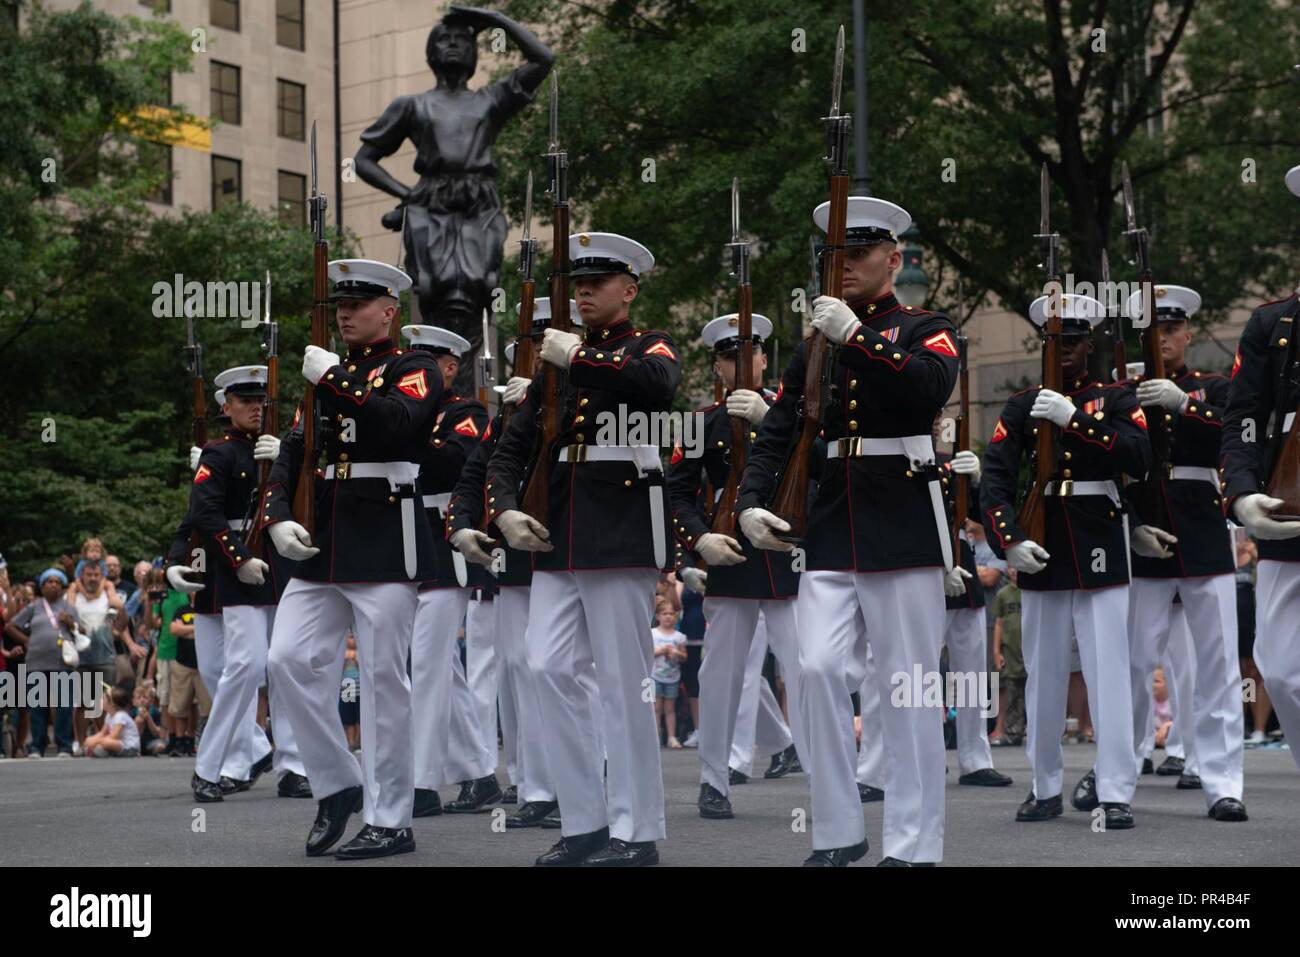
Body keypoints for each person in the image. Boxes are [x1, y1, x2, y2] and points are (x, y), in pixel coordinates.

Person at [484, 231, 678, 866]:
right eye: (578, 283)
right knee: (544, 668)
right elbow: (513, 446)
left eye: (598, 282)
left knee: (625, 684)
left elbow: (656, 389)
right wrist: (504, 507)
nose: (585, 292)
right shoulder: (554, 363)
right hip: (557, 531)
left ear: (629, 289)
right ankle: (585, 820)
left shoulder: (645, 346)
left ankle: (637, 830)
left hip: (619, 530)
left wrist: (579, 361)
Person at [265, 258, 445, 860]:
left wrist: (337, 378)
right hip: (323, 537)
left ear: (390, 310)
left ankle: (391, 819)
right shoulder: (326, 374)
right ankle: (339, 783)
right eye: (340, 304)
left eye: (359, 304)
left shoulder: (413, 367)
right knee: (285, 659)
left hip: (385, 534)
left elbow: (398, 422)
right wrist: (276, 516)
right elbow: (293, 451)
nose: (345, 312)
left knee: (383, 683)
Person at [980, 292, 1151, 829]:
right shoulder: (1020, 404)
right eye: (1057, 340)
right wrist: (1007, 540)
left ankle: (1116, 788)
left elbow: (1139, 456)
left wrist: (1076, 418)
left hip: (1099, 530)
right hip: (1044, 538)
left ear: (1090, 342)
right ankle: (1045, 783)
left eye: (1074, 340)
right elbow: (997, 480)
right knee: (1044, 672)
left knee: (1108, 671)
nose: (1066, 350)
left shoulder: (1115, 398)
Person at [447, 312, 604, 831]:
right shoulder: (518, 408)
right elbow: (481, 469)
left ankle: (576, 780)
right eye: (527, 340)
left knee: (573, 673)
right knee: (520, 670)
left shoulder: (589, 393)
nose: (534, 348)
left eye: (542, 339)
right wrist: (463, 524)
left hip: (576, 545)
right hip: (518, 559)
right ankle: (533, 783)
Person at [1112, 285, 1247, 821]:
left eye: (1171, 330)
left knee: (1215, 665)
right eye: (1152, 331)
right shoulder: (1124, 391)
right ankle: (1119, 771)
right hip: (1145, 530)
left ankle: (1223, 782)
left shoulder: (1213, 387)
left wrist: (1185, 404)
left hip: (1202, 531)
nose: (1162, 339)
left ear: (1188, 333)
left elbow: (1239, 436)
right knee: (1135, 663)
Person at [354, 5, 553, 365]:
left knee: (481, 285)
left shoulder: (489, 100)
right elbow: (363, 160)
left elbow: (543, 60)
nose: (452, 45)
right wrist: (408, 195)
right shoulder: (412, 106)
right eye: (443, 39)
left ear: (475, 51)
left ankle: (473, 387)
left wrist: (495, 20)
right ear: (430, 52)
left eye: (462, 40)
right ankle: (432, 377)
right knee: (432, 287)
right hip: (431, 206)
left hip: (479, 205)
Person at [666, 311, 805, 820]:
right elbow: (677, 495)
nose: (740, 364)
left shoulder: (796, 414)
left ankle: (823, 771)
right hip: (731, 551)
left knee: (809, 670)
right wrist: (697, 544)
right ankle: (713, 778)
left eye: (749, 353)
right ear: (717, 366)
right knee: (722, 674)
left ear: (765, 358)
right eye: (729, 357)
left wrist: (774, 423)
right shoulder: (700, 422)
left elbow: (817, 468)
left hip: (788, 552)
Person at [1220, 169, 1300, 772]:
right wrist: (1244, 494)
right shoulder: (1273, 325)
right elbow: (1243, 418)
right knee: (1282, 670)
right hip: (1287, 513)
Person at [404, 323, 500, 819]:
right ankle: (480, 774)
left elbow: (454, 466)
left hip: (447, 542)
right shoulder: (409, 412)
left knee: (427, 661)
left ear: (448, 368)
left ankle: (420, 782)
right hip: (406, 541)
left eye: (426, 363)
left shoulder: (465, 413)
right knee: (443, 666)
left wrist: (405, 429)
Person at [935, 416, 1013, 787]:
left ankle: (974, 756)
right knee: (919, 674)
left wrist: (977, 481)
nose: (937, 425)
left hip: (960, 565)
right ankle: (929, 751)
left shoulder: (950, 466)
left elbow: (981, 516)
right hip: (921, 564)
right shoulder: (907, 460)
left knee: (969, 672)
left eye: (939, 419)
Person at [5, 569, 83, 757]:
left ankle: (64, 745)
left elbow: (82, 632)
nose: (53, 585)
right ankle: (36, 746)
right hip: (36, 662)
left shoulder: (69, 608)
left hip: (62, 662)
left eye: (57, 582)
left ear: (62, 585)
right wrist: (25, 640)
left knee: (64, 705)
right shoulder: (35, 606)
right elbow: (10, 625)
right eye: (49, 581)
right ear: (42, 586)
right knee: (37, 706)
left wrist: (70, 623)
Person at [69, 559, 129, 750]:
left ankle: (104, 742)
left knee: (107, 702)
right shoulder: (75, 597)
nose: (93, 578)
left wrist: (122, 613)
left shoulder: (108, 596)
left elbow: (121, 625)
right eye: (89, 575)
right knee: (83, 703)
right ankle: (80, 743)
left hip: (106, 657)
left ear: (102, 576)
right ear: (82, 576)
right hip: (82, 658)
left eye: (96, 575)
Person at [990, 567, 1025, 746]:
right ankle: (1012, 732)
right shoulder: (1003, 594)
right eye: (1011, 567)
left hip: (1026, 649)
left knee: (1031, 693)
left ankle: (1033, 731)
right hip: (1010, 651)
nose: (1015, 571)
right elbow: (999, 624)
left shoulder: (1028, 592)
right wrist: (996, 652)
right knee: (1012, 694)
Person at [651, 599, 687, 748]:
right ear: (658, 616)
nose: (668, 617)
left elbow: (685, 657)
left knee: (670, 708)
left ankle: (671, 736)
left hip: (672, 677)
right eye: (664, 613)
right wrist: (661, 651)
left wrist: (676, 653)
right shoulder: (652, 633)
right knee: (655, 708)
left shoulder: (679, 637)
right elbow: (647, 654)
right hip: (653, 677)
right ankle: (654, 736)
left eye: (671, 614)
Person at [83, 684, 140, 757]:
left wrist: (97, 742)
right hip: (118, 743)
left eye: (103, 699)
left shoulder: (120, 716)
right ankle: (99, 751)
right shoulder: (109, 715)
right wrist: (90, 740)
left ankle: (99, 751)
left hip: (129, 747)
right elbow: (102, 733)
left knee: (106, 742)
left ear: (112, 703)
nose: (101, 701)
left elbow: (114, 736)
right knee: (91, 740)